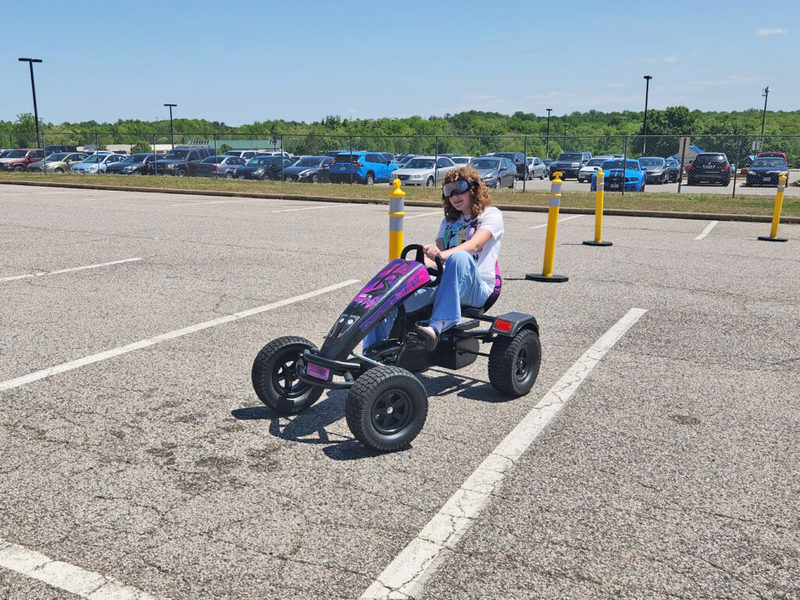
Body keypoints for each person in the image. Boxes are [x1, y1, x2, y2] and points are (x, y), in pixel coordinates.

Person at [363, 165, 504, 351]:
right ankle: (371, 353)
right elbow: (438, 252)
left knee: (460, 257)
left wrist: (442, 255)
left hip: (477, 288)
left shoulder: (491, 215)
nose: (454, 196)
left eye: (459, 188)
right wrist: (414, 266)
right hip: (446, 282)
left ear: (473, 189)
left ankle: (437, 327)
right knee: (392, 297)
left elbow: (475, 245)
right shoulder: (448, 222)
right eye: (449, 191)